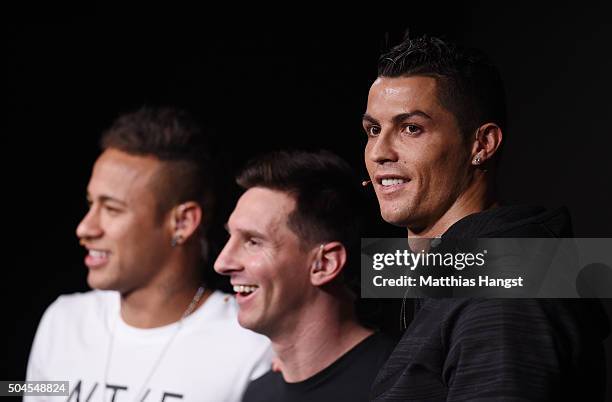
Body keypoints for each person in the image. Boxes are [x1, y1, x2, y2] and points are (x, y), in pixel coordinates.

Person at [362, 35, 610, 401]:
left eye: (411, 128)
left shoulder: (504, 293)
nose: (380, 152)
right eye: (373, 130)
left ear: (482, 145)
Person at [26, 107, 272, 402]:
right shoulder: (62, 322)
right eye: (91, 204)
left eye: (112, 209)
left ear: (181, 223)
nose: (85, 228)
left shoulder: (252, 345)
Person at [214, 150, 396, 402]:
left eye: (253, 242)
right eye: (229, 237)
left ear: (324, 264)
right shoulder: (257, 393)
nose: (222, 263)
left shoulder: (401, 384)